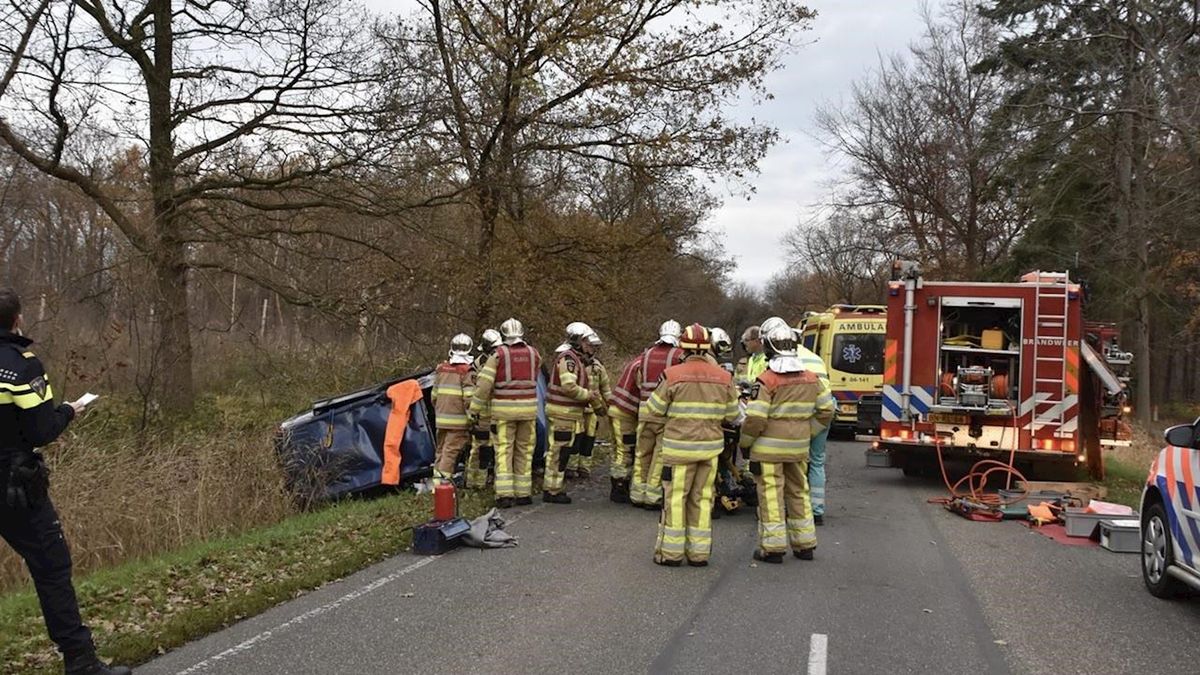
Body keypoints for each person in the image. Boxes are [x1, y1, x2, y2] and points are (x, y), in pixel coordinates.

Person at [0, 288, 131, 675]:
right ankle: (81, 660)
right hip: (14, 487)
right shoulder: (21, 366)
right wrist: (69, 411)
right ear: (17, 319)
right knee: (52, 566)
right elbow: (41, 429)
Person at [641, 324, 740, 567]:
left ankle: (672, 554)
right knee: (703, 498)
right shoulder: (724, 378)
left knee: (675, 499)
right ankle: (699, 554)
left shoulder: (672, 375)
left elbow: (653, 409)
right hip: (709, 451)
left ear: (682, 347)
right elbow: (733, 414)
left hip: (678, 451)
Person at [739, 322, 834, 563]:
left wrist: (746, 444)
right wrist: (808, 433)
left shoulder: (766, 380)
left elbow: (755, 419)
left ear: (769, 348)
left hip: (767, 451)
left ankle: (772, 548)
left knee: (771, 495)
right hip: (799, 449)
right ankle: (805, 545)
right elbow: (826, 410)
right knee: (799, 493)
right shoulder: (812, 379)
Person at [470, 318, 541, 508]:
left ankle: (505, 494)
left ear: (503, 335)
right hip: (528, 411)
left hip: (503, 412)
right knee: (524, 451)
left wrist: (474, 409)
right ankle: (523, 493)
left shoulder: (498, 355)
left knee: (503, 450)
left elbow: (484, 385)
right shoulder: (534, 354)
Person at [543, 322, 602, 504]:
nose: (588, 346)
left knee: (562, 452)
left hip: (566, 413)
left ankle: (554, 487)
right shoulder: (568, 359)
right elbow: (569, 386)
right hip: (563, 413)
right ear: (578, 341)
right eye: (586, 342)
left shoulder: (575, 358)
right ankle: (552, 490)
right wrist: (588, 395)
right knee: (559, 453)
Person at [630, 320, 684, 508]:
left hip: (644, 410)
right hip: (664, 412)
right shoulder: (679, 355)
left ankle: (637, 493)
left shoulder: (646, 355)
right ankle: (652, 496)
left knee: (642, 452)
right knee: (659, 455)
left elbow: (639, 381)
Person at [792, 324, 831, 525]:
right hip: (824, 412)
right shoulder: (816, 358)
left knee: (795, 461)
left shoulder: (786, 360)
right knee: (817, 461)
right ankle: (817, 510)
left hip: (801, 414)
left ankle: (795, 507)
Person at [430, 333, 474, 486]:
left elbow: (434, 396)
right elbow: (469, 398)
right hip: (458, 422)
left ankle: (436, 482)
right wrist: (473, 418)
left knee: (440, 451)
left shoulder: (441, 369)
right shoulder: (466, 371)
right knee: (450, 453)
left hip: (441, 419)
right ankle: (442, 486)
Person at [567, 332, 609, 481]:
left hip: (592, 409)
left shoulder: (598, 367)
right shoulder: (576, 363)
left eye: (595, 347)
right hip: (577, 407)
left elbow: (605, 389)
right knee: (575, 438)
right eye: (591, 346)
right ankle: (571, 467)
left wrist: (610, 406)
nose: (593, 350)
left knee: (589, 439)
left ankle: (584, 467)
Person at [465, 329, 501, 490]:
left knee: (498, 450)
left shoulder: (501, 360)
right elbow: (475, 390)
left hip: (499, 412)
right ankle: (475, 483)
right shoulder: (478, 365)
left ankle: (491, 480)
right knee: (481, 449)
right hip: (483, 414)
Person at [606, 353, 643, 503]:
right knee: (625, 450)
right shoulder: (643, 364)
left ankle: (619, 484)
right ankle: (619, 486)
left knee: (620, 449)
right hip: (625, 412)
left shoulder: (641, 360)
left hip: (621, 409)